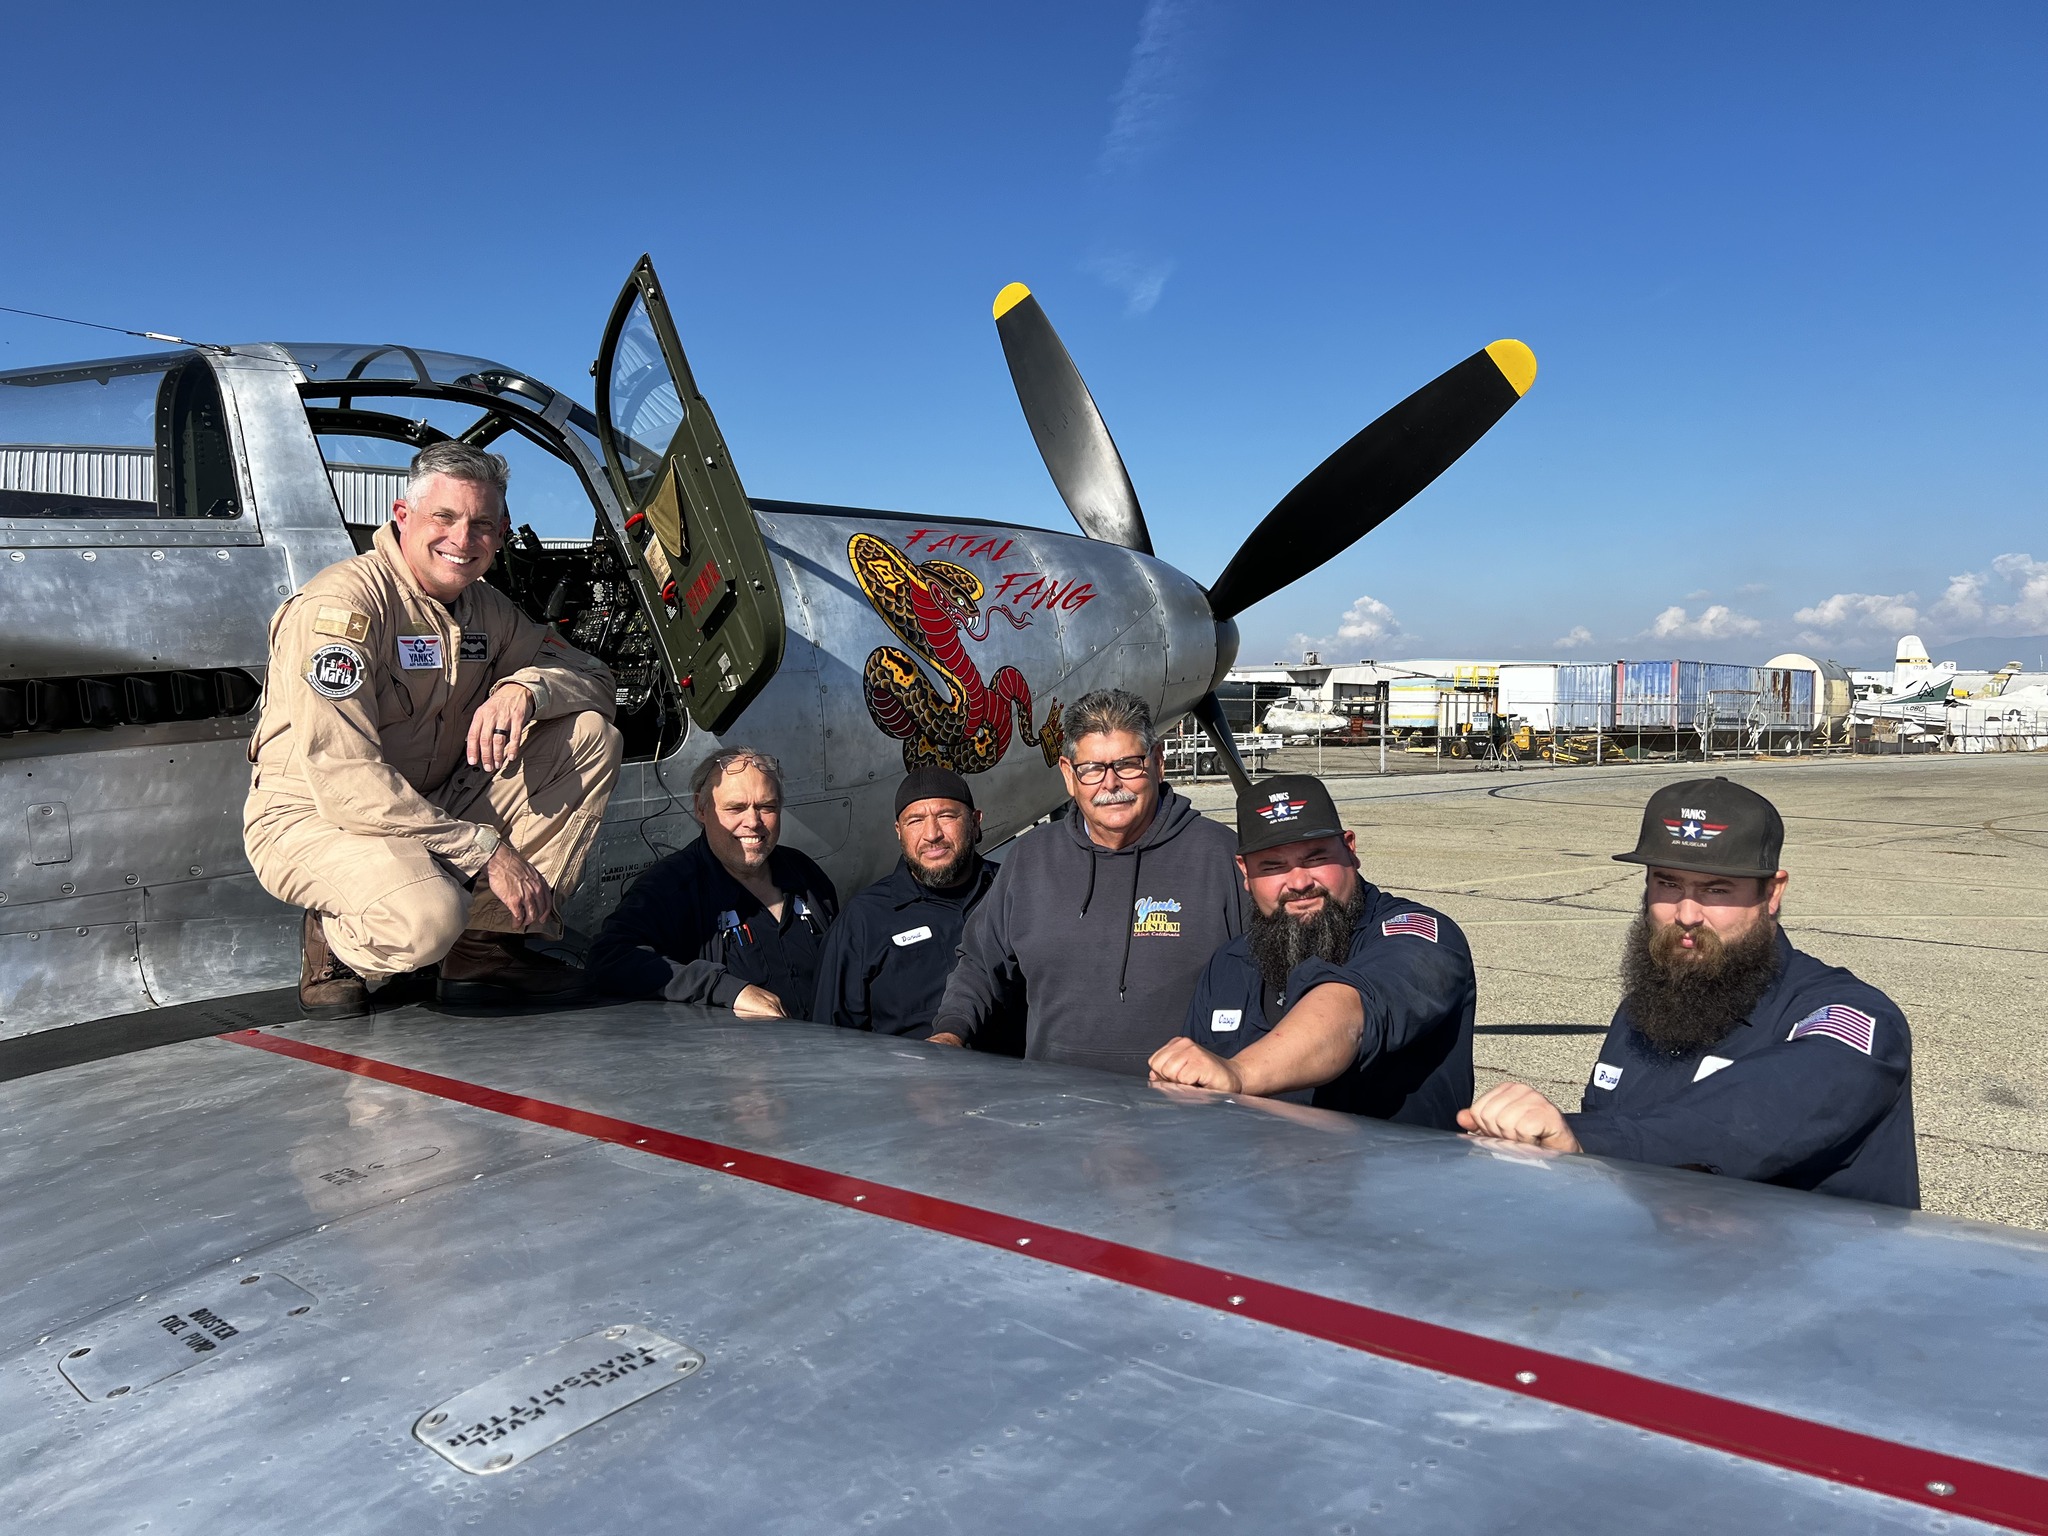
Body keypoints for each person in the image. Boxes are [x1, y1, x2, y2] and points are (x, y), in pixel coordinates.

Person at [244, 441, 622, 1017]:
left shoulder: (485, 610)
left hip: (431, 802)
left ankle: (484, 949)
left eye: (482, 524)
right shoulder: (345, 607)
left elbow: (594, 679)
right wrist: (486, 851)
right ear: (403, 517)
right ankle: (337, 940)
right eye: (444, 518)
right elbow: (348, 781)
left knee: (590, 734)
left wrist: (524, 690)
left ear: (500, 534)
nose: (462, 540)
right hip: (322, 817)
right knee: (428, 918)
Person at [1458, 777, 1918, 1208]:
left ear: (1772, 893)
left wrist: (1583, 1140)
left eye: (1716, 889)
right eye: (1668, 883)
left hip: (1816, 1283)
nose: (1686, 913)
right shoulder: (1655, 1000)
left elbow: (1766, 1109)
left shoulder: (1850, 1013)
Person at [928, 688, 1244, 1075]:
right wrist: (949, 1034)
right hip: (1057, 1108)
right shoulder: (1030, 859)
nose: (1110, 784)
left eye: (1128, 764)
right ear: (1068, 775)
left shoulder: (1222, 856)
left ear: (1158, 763)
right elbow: (980, 962)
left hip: (1185, 1112)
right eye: (1092, 769)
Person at [1147, 775, 1474, 1127]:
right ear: (1245, 872)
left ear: (1350, 848)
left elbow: (1351, 1014)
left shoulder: (1418, 936)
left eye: (1316, 858)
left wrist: (1238, 1073)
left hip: (1397, 1178)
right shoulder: (1229, 964)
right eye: (1273, 866)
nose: (1300, 883)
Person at [587, 748, 838, 1017]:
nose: (753, 822)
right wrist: (725, 989)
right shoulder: (672, 887)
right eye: (735, 808)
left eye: (766, 807)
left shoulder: (805, 876)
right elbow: (609, 957)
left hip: (826, 1051)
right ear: (701, 808)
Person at [810, 768, 998, 1040]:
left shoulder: (1012, 890)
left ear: (975, 821)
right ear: (899, 832)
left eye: (946, 816)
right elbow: (829, 1035)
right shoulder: (864, 919)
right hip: (907, 1081)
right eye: (915, 821)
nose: (932, 834)